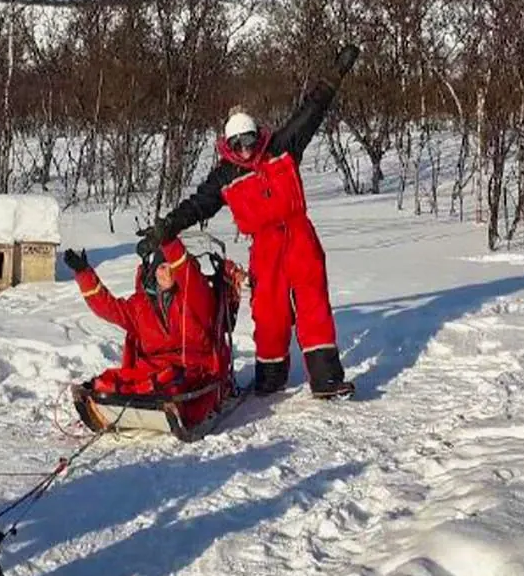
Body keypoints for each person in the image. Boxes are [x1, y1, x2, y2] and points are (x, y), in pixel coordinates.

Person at [142, 42, 360, 399]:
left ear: (258, 134)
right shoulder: (225, 176)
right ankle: (270, 377)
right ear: (227, 144)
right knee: (269, 310)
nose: (245, 148)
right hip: (265, 245)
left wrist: (336, 73)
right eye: (237, 143)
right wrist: (164, 229)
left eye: (249, 139)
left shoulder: (282, 148)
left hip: (299, 235)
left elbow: (312, 110)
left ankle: (326, 378)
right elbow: (198, 205)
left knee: (313, 305)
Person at [63, 236, 227, 430]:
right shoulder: (140, 305)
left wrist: (168, 239)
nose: (168, 272)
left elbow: (189, 276)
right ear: (154, 271)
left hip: (193, 368)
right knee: (111, 382)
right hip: (152, 369)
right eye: (162, 267)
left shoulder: (194, 296)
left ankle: (162, 405)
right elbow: (109, 308)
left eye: (172, 266)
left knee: (171, 386)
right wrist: (83, 273)